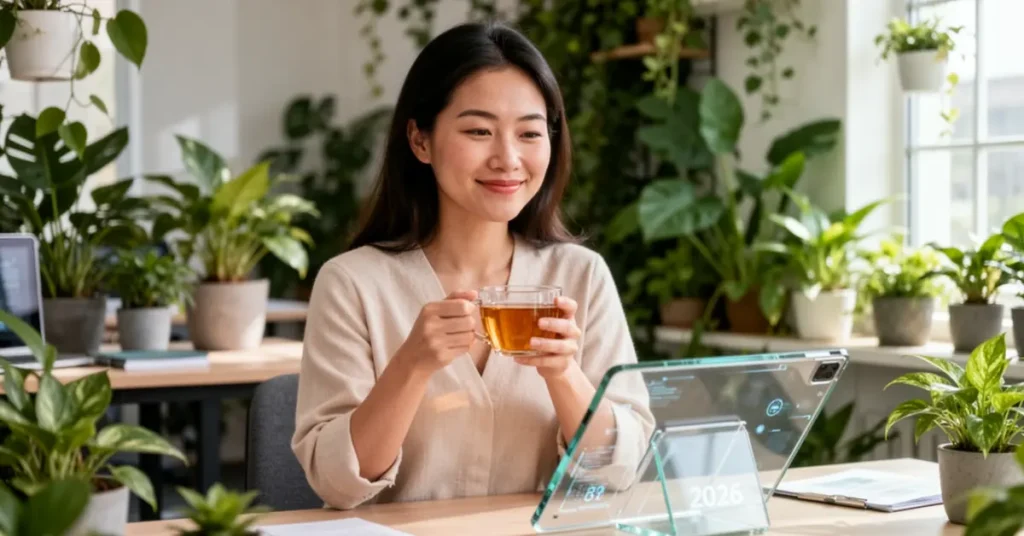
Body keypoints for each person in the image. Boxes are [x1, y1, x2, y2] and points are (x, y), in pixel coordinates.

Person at [291, 20, 652, 510]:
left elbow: (621, 469)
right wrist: (411, 365)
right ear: (419, 140)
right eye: (479, 131)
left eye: (529, 133)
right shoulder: (352, 283)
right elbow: (337, 484)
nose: (508, 158)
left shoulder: (581, 276)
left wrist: (564, 374)